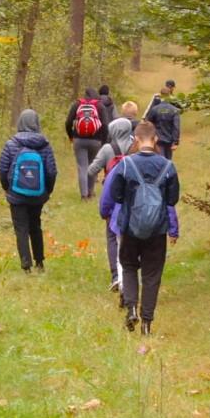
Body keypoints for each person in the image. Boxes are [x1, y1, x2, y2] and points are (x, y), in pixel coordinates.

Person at [110, 122, 180, 335]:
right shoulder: (168, 167)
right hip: (157, 230)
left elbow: (116, 195)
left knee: (129, 266)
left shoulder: (124, 165)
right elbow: (172, 199)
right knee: (152, 275)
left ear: (137, 139)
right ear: (156, 139)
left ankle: (131, 308)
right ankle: (147, 323)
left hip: (130, 227)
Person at [0, 109, 57, 273]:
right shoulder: (44, 144)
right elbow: (51, 171)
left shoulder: (11, 144)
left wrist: (7, 188)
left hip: (16, 194)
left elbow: (2, 169)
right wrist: (47, 191)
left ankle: (26, 265)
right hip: (38, 195)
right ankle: (39, 262)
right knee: (35, 226)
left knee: (21, 228)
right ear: (36, 123)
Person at [87, 118, 135, 291]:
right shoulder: (135, 146)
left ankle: (116, 275)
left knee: (112, 235)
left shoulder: (108, 149)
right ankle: (132, 273)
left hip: (114, 196)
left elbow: (91, 170)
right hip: (136, 195)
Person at [65, 87, 110, 199]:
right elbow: (105, 125)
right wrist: (103, 141)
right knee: (92, 166)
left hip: (78, 140)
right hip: (96, 140)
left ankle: (84, 195)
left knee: (82, 167)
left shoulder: (77, 104)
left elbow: (68, 122)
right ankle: (90, 192)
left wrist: (71, 136)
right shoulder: (99, 106)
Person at [146, 89, 181, 161]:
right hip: (169, 140)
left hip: (157, 140)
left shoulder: (154, 109)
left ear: (161, 96)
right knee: (168, 161)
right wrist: (175, 142)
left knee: (159, 160)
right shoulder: (175, 110)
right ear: (169, 96)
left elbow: (149, 124)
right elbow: (176, 127)